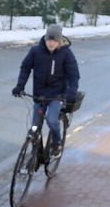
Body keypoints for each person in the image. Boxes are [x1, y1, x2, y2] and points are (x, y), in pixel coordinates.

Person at [12, 24, 79, 158]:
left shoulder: (66, 53)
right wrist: (20, 86)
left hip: (57, 95)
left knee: (52, 120)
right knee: (34, 128)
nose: (51, 43)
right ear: (45, 38)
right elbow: (25, 68)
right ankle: (35, 154)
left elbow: (73, 75)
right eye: (49, 39)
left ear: (59, 40)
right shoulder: (36, 51)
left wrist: (71, 92)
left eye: (54, 40)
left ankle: (56, 143)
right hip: (40, 95)